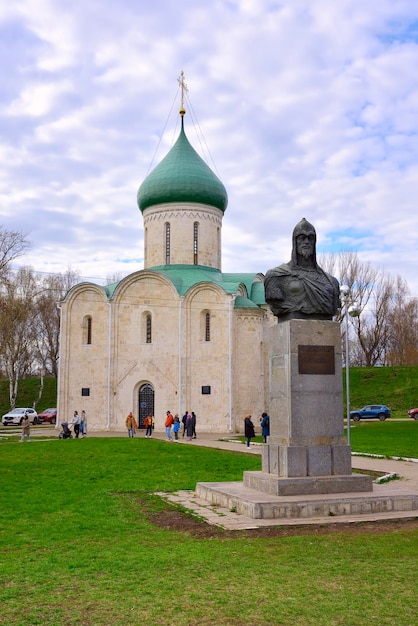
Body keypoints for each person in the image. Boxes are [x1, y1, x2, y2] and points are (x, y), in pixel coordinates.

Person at [264, 218, 340, 321]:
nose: (307, 242)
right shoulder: (275, 276)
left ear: (315, 242)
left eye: (310, 238)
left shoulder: (332, 282)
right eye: (302, 238)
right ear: (295, 241)